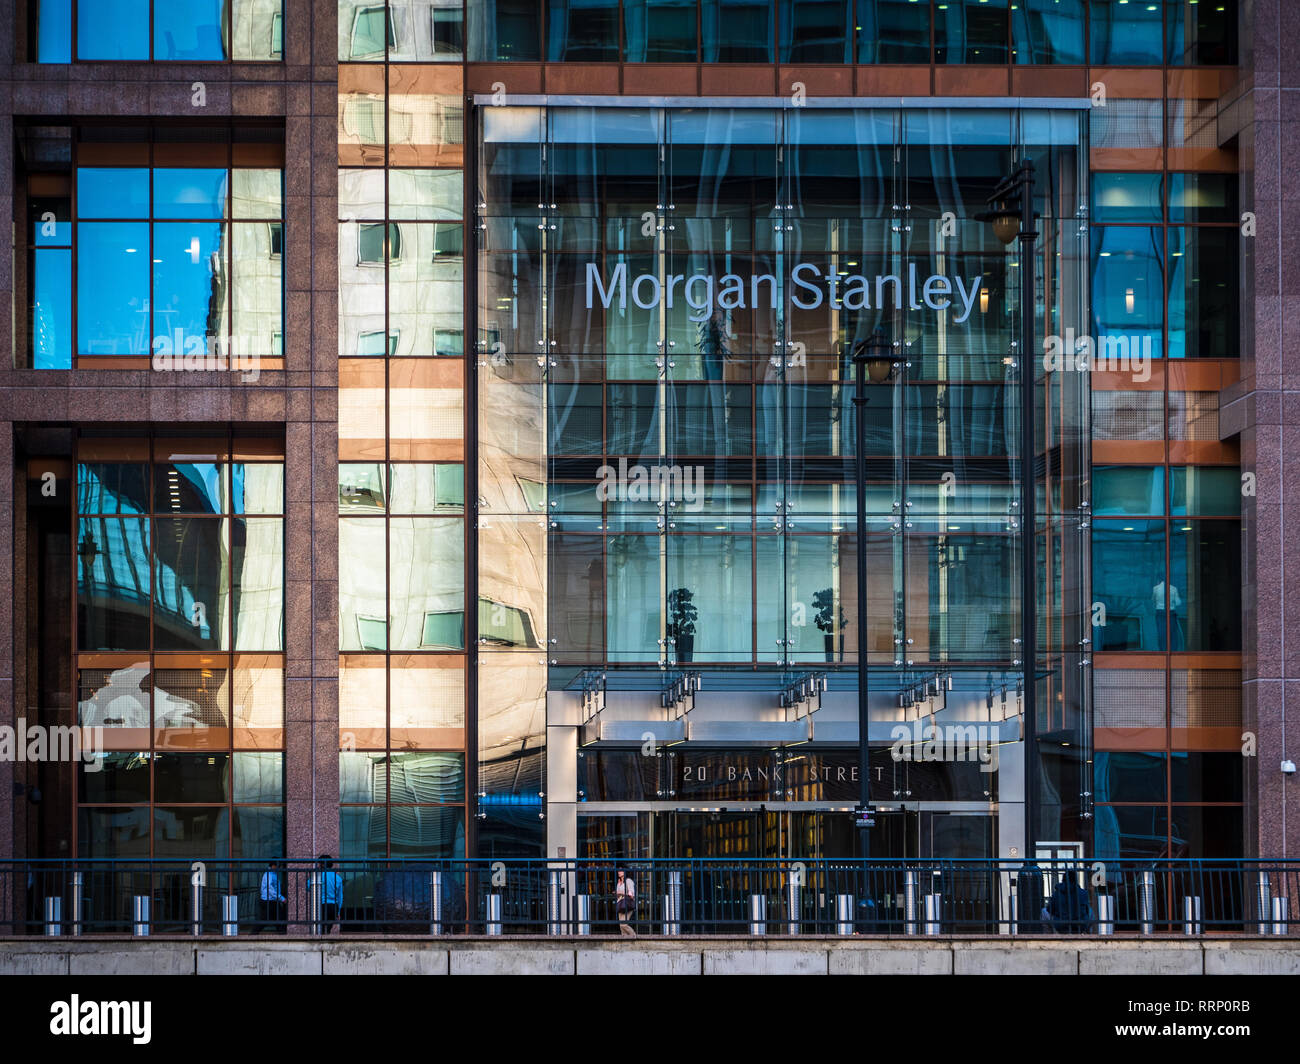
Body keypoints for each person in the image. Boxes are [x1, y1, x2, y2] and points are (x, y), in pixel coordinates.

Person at [317, 855, 343, 934]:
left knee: (320, 928)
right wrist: (338, 911)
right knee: (328, 928)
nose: (318, 866)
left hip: (322, 905)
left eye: (319, 864)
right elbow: (340, 897)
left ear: (322, 864)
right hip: (333, 906)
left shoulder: (319, 876)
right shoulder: (338, 878)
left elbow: (308, 887)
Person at [260, 862, 287, 933]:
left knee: (279, 918)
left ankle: (282, 933)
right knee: (265, 919)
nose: (279, 868)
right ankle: (253, 934)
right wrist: (281, 898)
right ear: (273, 866)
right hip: (269, 901)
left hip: (272, 900)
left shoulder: (273, 874)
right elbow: (270, 889)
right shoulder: (269, 874)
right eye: (278, 866)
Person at [614, 869, 637, 937]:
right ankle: (624, 940)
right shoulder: (619, 882)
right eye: (618, 871)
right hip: (620, 904)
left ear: (625, 872)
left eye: (621, 871)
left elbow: (631, 893)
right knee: (621, 925)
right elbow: (618, 893)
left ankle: (633, 936)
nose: (619, 872)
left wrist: (620, 893)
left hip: (627, 904)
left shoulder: (628, 881)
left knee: (623, 924)